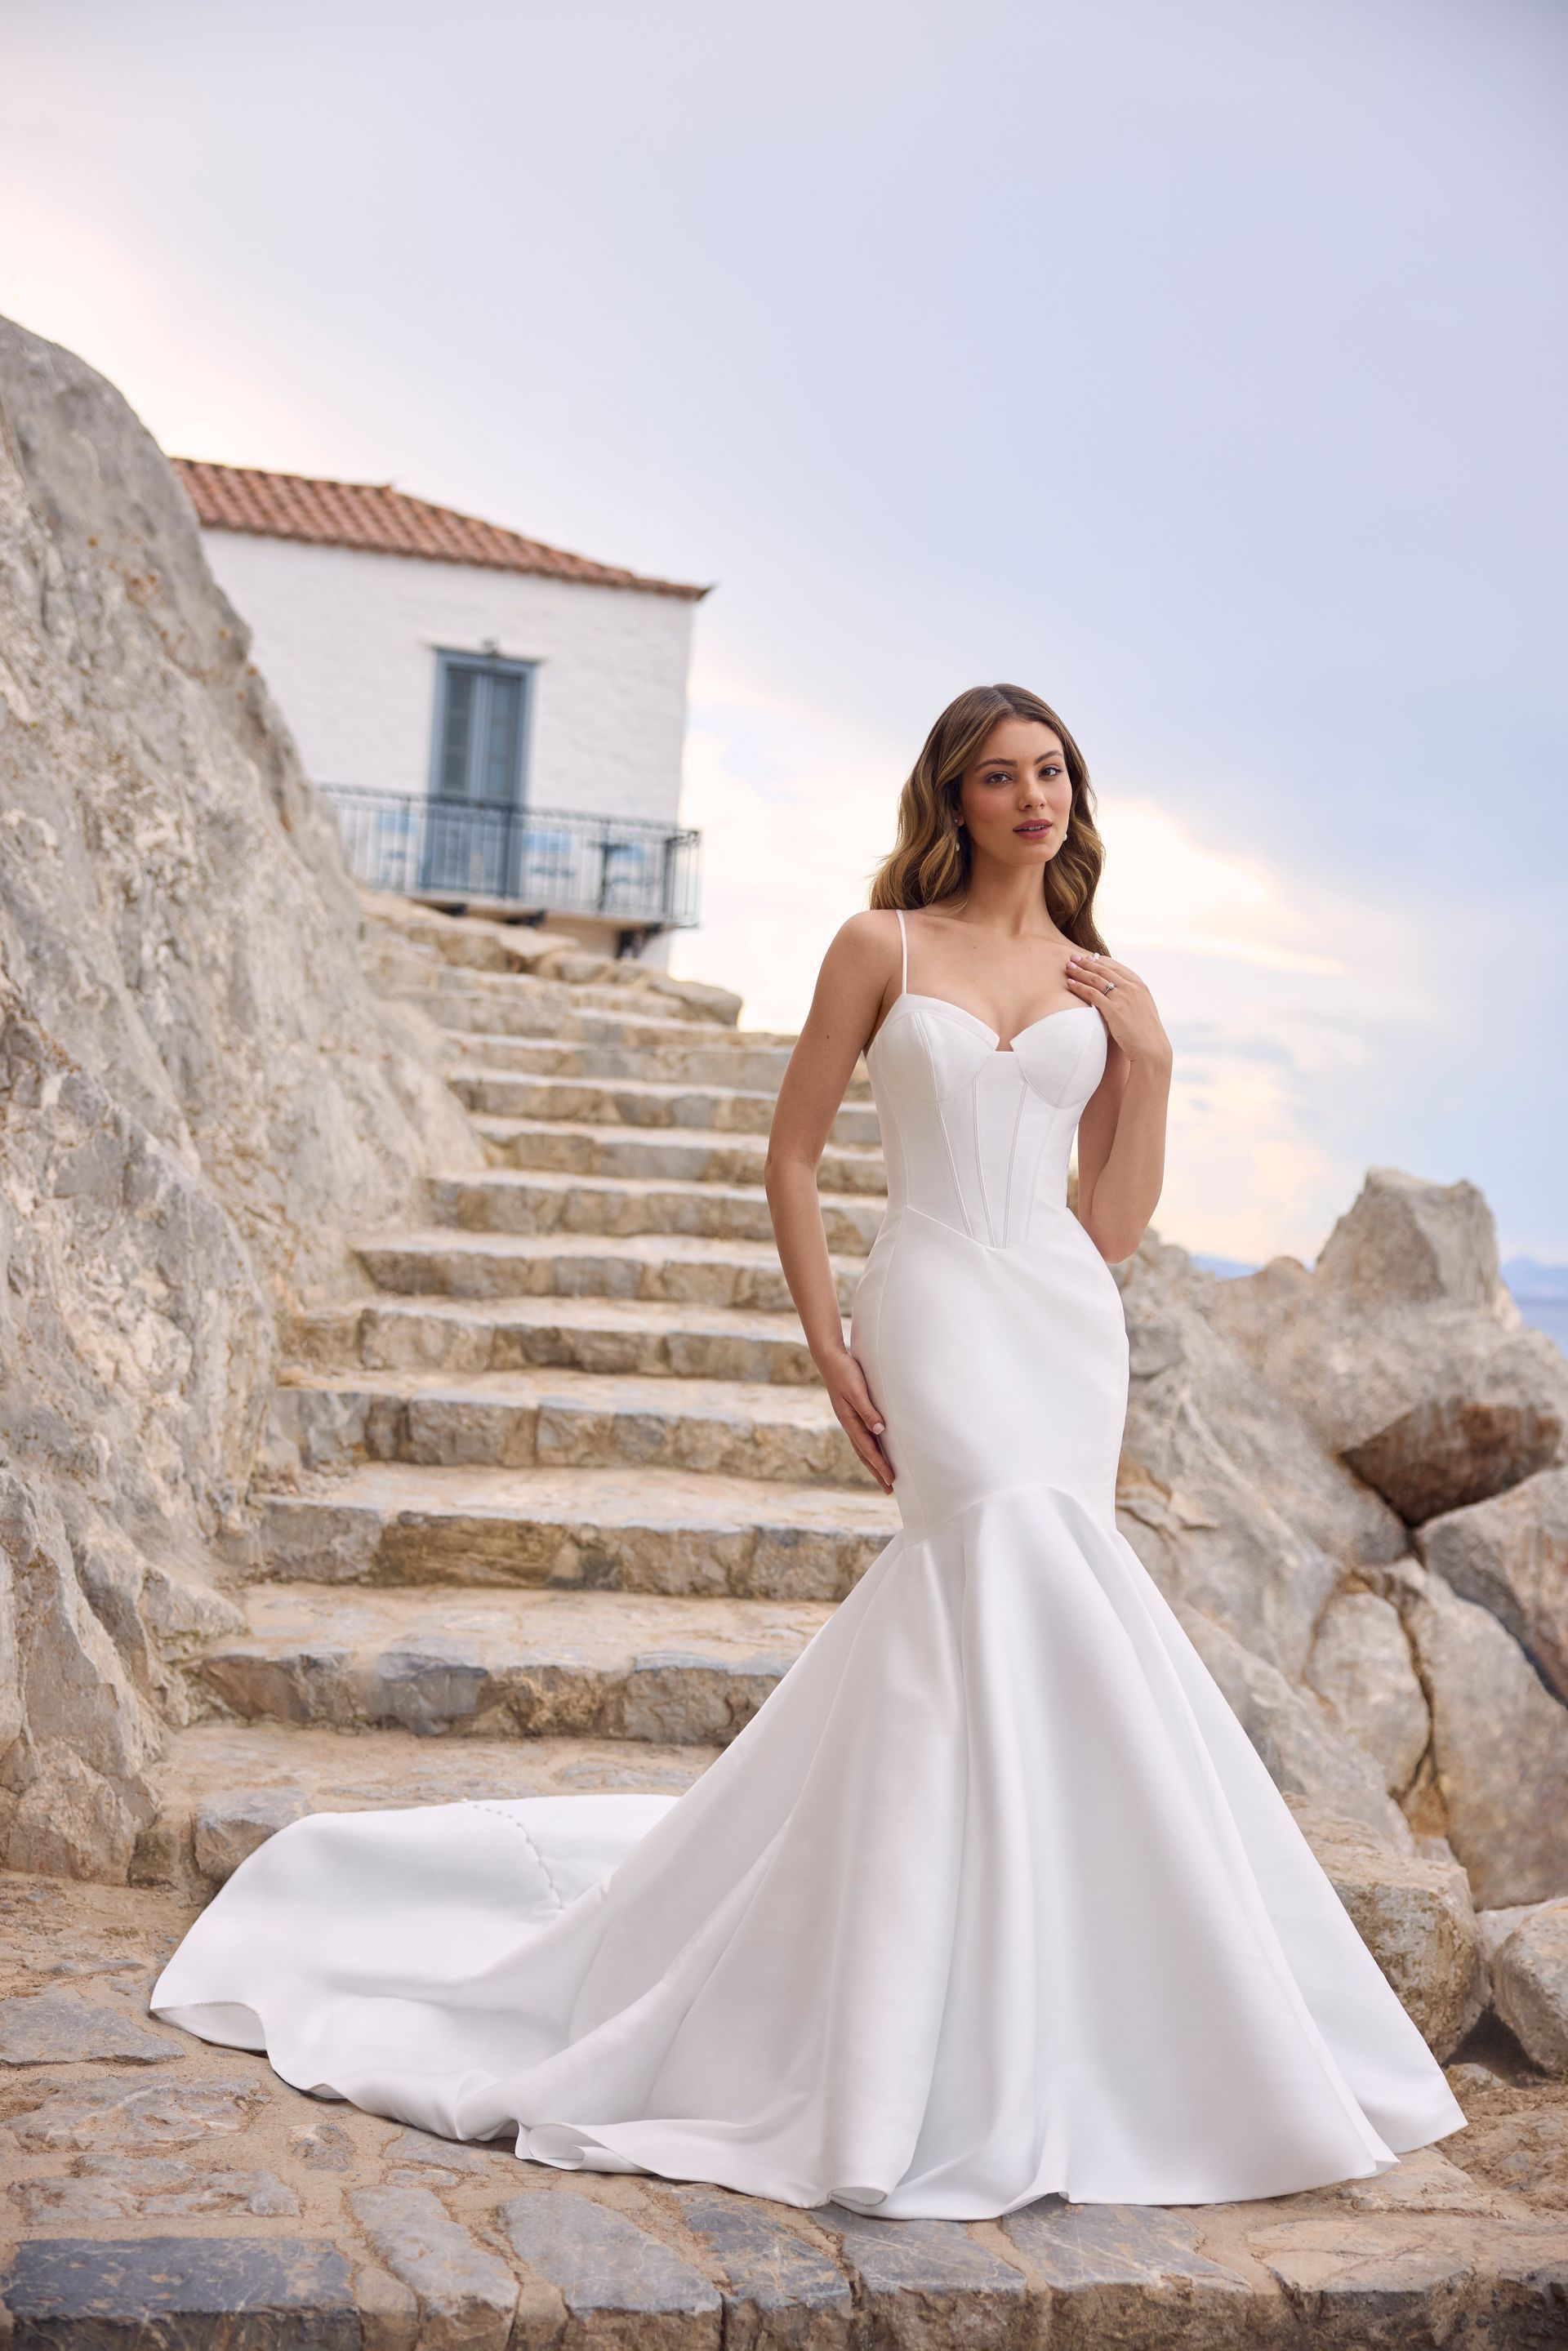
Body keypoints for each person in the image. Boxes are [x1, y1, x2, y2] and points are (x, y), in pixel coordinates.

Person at [152, 681, 1467, 2219]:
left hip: (1056, 1322)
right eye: (999, 776)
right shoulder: (879, 947)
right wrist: (828, 1336)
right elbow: (788, 1151)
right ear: (952, 799)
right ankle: (923, 2012)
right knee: (993, 1563)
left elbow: (1105, 1233)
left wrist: (1154, 1064)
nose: (1033, 797)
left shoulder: (1101, 983)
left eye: (1052, 772)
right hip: (932, 1302)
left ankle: (1048, 1990)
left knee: (1043, 1603)